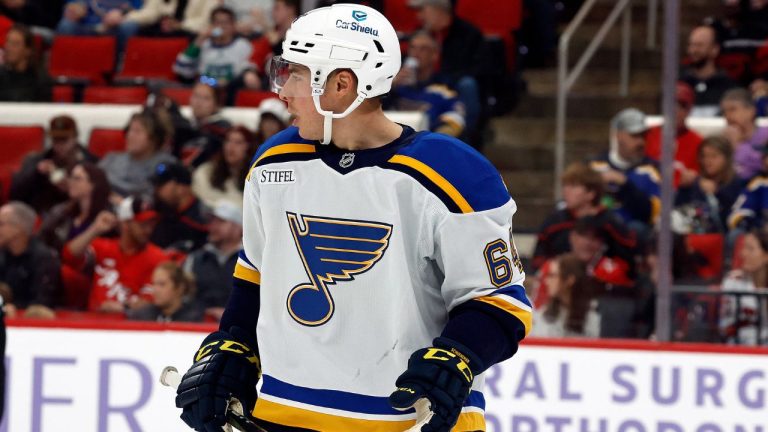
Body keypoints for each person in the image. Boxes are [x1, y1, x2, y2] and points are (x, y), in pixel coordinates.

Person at [174, 5, 531, 432]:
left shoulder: (454, 174)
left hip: (409, 419)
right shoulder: (274, 162)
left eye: (296, 74)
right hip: (283, 412)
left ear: (341, 84)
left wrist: (458, 357)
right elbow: (255, 277)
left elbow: (500, 302)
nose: (282, 91)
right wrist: (234, 345)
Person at [62, 194, 168, 313]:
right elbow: (69, 255)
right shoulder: (103, 247)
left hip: (133, 325)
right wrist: (95, 229)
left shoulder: (158, 258)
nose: (148, 230)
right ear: (125, 224)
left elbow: (155, 302)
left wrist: (124, 308)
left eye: (151, 224)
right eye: (142, 225)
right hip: (94, 322)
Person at [532, 162, 636, 273]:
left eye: (573, 186)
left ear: (591, 193)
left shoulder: (610, 223)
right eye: (565, 186)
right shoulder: (554, 222)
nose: (566, 191)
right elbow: (538, 260)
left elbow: (628, 263)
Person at [590, 108, 661, 232]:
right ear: (618, 135)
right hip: (597, 233)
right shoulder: (595, 166)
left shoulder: (653, 169)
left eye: (643, 136)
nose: (641, 142)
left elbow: (653, 214)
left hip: (634, 237)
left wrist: (625, 184)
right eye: (634, 136)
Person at [10, 115, 97, 215]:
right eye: (55, 140)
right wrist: (35, 173)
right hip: (42, 211)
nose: (59, 145)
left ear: (75, 138)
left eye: (64, 140)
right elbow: (16, 194)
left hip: (77, 213)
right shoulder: (37, 160)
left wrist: (66, 183)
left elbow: (96, 196)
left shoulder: (91, 163)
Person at [386, 30, 467, 138]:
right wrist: (389, 87)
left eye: (423, 49)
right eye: (413, 47)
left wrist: (434, 140)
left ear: (434, 55)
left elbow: (456, 118)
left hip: (426, 143)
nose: (416, 53)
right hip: (391, 141)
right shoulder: (395, 83)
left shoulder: (444, 88)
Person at [182, 201, 242, 321]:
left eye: (221, 222)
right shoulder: (194, 259)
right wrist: (201, 313)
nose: (213, 226)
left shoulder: (253, 260)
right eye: (212, 221)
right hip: (196, 326)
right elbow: (183, 297)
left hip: (241, 328)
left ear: (238, 227)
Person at [173, 6, 258, 89]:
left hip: (231, 89)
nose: (221, 26)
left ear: (233, 25)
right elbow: (181, 68)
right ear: (211, 25)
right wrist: (200, 38)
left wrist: (224, 84)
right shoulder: (203, 44)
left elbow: (249, 72)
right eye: (217, 22)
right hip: (203, 88)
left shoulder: (243, 45)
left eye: (225, 22)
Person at [99, 110, 177, 198]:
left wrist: (123, 203)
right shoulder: (111, 159)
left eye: (137, 131)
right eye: (130, 130)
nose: (130, 136)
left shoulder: (165, 165)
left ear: (154, 138)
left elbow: (156, 196)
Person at [0, 202, 59, 317]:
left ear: (19, 228)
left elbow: (42, 303)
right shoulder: (2, 254)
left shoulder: (43, 258)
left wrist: (15, 308)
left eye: (1, 224)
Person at [674, 136, 743, 235]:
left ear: (726, 158)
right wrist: (683, 187)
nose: (707, 161)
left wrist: (717, 191)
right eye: (704, 156)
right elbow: (678, 207)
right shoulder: (695, 182)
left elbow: (735, 211)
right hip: (693, 231)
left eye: (714, 156)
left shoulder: (736, 183)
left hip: (722, 233)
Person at [39, 162, 112, 252]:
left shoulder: (106, 219)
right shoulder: (61, 211)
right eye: (71, 177)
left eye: (77, 178)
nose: (70, 182)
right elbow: (42, 238)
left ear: (93, 185)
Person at [644, 81, 703, 183]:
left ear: (689, 110)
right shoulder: (647, 135)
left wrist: (694, 179)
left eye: (682, 106)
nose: (675, 111)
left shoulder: (698, 142)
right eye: (671, 106)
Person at [531, 253, 600, 338]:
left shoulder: (595, 313)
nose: (547, 281)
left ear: (569, 280)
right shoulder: (545, 313)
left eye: (553, 276)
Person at [719, 229, 768, 345]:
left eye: (750, 249)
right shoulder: (733, 281)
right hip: (737, 347)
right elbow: (724, 325)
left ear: (766, 256)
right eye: (743, 248)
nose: (743, 253)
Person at [192, 125, 258, 208]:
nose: (231, 147)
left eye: (238, 142)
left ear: (249, 147)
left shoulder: (256, 177)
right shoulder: (205, 172)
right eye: (228, 141)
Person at [150, 161, 210, 251]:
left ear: (181, 189)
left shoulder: (201, 220)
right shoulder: (163, 212)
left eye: (161, 186)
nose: (156, 190)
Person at [680, 25, 737, 117]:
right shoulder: (679, 85)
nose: (693, 50)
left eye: (699, 45)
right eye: (691, 45)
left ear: (715, 49)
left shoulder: (729, 87)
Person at [174, 80, 232, 167]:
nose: (198, 102)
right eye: (196, 96)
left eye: (206, 98)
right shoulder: (183, 126)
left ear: (216, 104)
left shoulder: (222, 130)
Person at [127, 261, 203, 322]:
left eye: (162, 284)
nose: (155, 290)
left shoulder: (192, 320)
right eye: (154, 284)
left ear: (179, 288)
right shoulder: (141, 316)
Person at [720, 87, 768, 181]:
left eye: (733, 109)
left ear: (751, 111)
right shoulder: (723, 139)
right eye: (724, 111)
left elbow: (763, 165)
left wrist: (738, 146)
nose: (727, 115)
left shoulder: (766, 135)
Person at [0, 24, 52, 102]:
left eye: (15, 44)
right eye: (8, 42)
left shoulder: (40, 80)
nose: (8, 48)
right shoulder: (1, 76)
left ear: (28, 50)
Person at [122, 0, 217, 38]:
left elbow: (207, 21)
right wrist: (124, 17)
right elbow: (151, 12)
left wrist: (180, 25)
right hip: (163, 26)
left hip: (190, 31)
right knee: (128, 26)